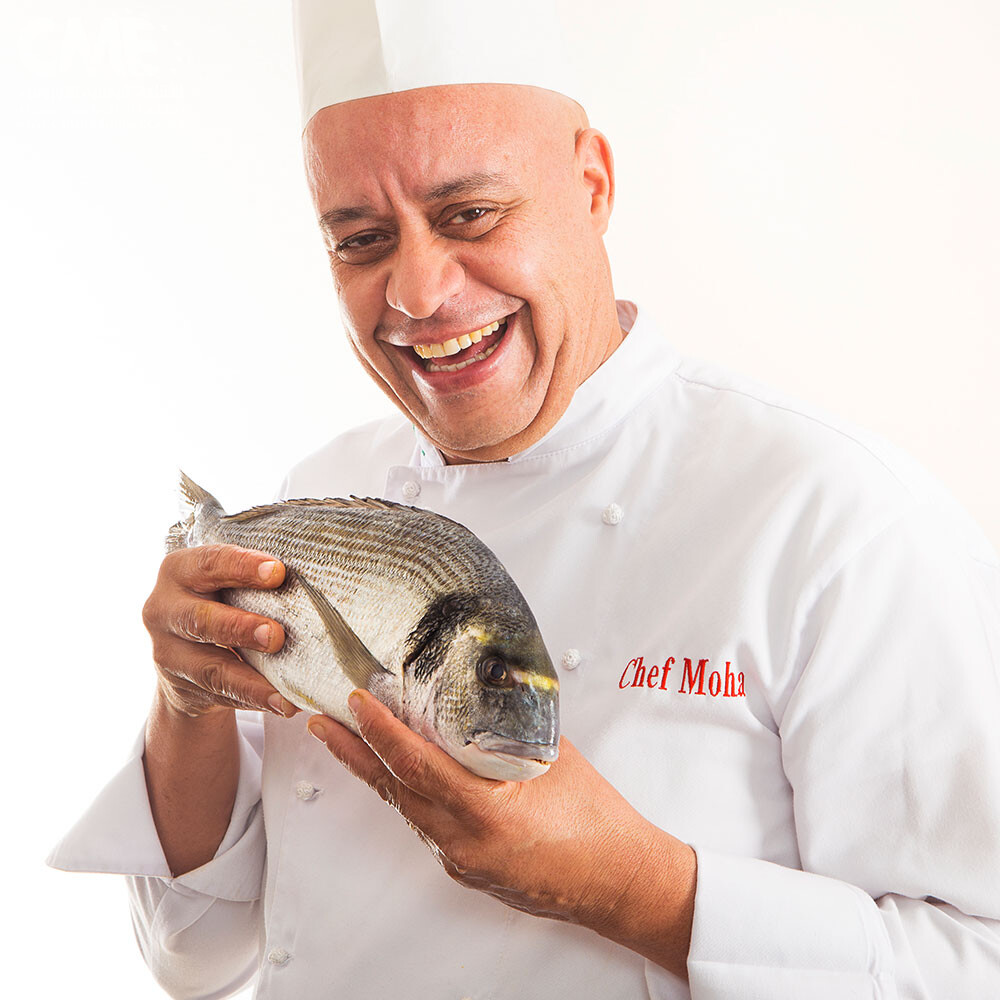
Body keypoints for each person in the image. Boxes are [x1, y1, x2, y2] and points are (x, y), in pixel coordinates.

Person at [48, 2, 1000, 997]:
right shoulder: (323, 504)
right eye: (362, 239)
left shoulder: (840, 520)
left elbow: (975, 963)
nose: (418, 293)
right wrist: (187, 704)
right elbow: (192, 954)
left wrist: (630, 886)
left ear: (592, 183)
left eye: (469, 215)